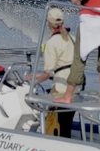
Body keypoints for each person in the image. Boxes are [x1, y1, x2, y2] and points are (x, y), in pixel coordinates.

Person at [26, 8, 78, 137]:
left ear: (48, 23)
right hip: (77, 85)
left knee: (56, 122)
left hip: (62, 88)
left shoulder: (52, 42)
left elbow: (48, 73)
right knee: (66, 122)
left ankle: (53, 141)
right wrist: (38, 75)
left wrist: (34, 82)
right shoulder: (73, 38)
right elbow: (65, 65)